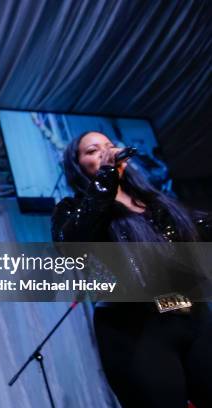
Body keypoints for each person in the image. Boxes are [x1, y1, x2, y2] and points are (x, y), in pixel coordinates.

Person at [52, 131, 212, 408]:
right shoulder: (72, 209)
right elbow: (73, 243)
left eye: (109, 146)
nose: (104, 152)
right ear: (77, 165)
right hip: (134, 329)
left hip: (193, 316)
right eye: (92, 150)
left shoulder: (156, 202)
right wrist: (106, 177)